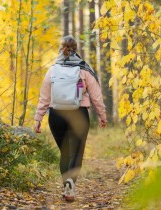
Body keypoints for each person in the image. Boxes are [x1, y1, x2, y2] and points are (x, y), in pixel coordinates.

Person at [34, 35, 107, 202]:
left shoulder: (52, 70)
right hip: (78, 113)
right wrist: (102, 116)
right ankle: (70, 185)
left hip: (56, 115)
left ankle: (66, 185)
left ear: (61, 49)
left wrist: (38, 118)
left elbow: (44, 98)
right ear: (76, 49)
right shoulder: (84, 69)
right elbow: (96, 97)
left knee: (65, 153)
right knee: (77, 153)